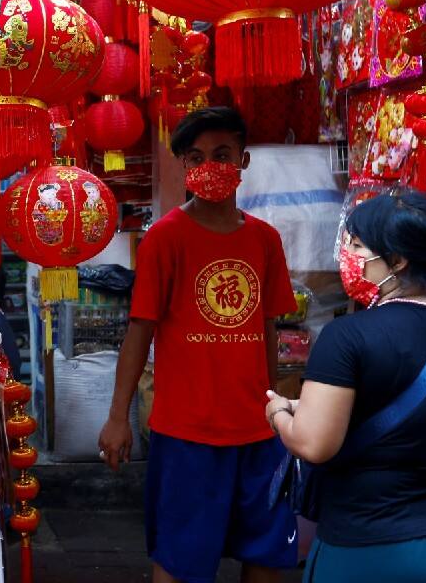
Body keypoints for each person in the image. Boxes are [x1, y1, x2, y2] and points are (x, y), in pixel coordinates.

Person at [99, 107, 299, 583]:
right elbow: (139, 330)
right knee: (180, 559)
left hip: (257, 430)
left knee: (268, 554)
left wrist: (275, 407)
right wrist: (116, 417)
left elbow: (267, 328)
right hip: (187, 433)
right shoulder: (165, 239)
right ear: (187, 168)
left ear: (243, 161)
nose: (210, 166)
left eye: (222, 154)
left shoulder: (266, 241)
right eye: (197, 157)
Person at [265, 193, 426, 583]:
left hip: (376, 550)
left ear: (398, 261)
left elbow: (313, 444)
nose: (348, 256)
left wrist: (279, 414)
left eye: (357, 245)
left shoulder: (347, 337)